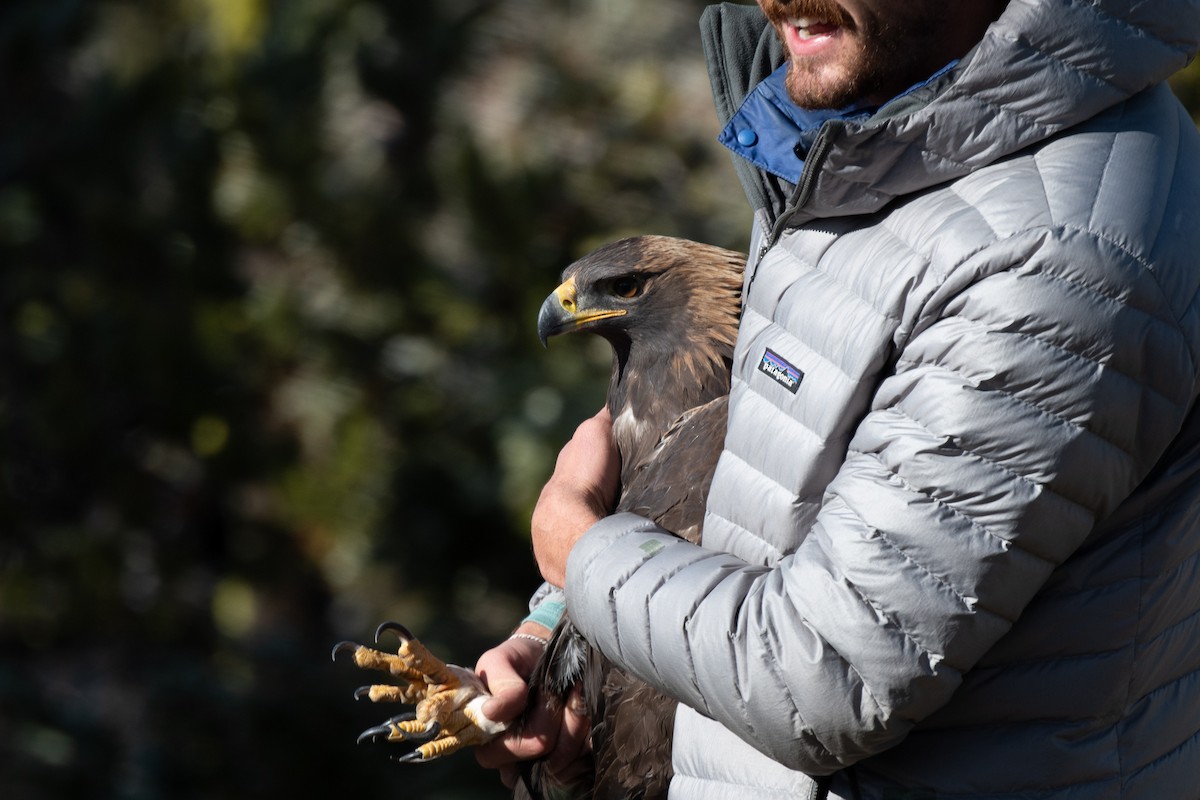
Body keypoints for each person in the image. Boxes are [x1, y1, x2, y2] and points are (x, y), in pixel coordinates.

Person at [476, 0, 1200, 797]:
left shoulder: (1054, 262)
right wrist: (565, 634)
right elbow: (764, 508)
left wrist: (576, 553)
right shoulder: (862, 142)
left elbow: (823, 681)